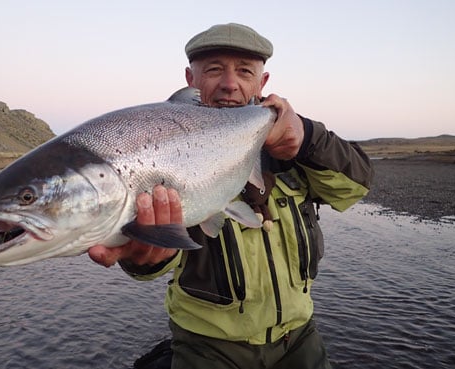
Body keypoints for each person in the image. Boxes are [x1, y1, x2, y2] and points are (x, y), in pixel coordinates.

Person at [89, 23, 374, 369]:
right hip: (208, 347)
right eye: (213, 70)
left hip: (299, 338)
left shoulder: (293, 147)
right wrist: (141, 256)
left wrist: (308, 136)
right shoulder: (166, 159)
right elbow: (155, 262)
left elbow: (356, 186)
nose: (229, 84)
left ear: (262, 83)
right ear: (190, 80)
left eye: (244, 71)